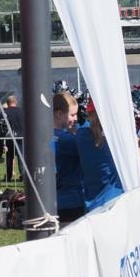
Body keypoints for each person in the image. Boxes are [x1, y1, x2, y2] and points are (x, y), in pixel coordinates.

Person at [52, 92, 85, 226]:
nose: (76, 118)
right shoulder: (66, 139)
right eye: (72, 115)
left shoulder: (47, 135)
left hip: (54, 199)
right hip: (71, 200)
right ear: (59, 114)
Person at [2, 93, 24, 181]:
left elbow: (1, 126)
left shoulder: (5, 112)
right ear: (16, 102)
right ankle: (23, 176)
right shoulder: (22, 111)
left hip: (9, 138)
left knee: (9, 159)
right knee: (21, 158)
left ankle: (8, 176)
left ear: (7, 103)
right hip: (21, 138)